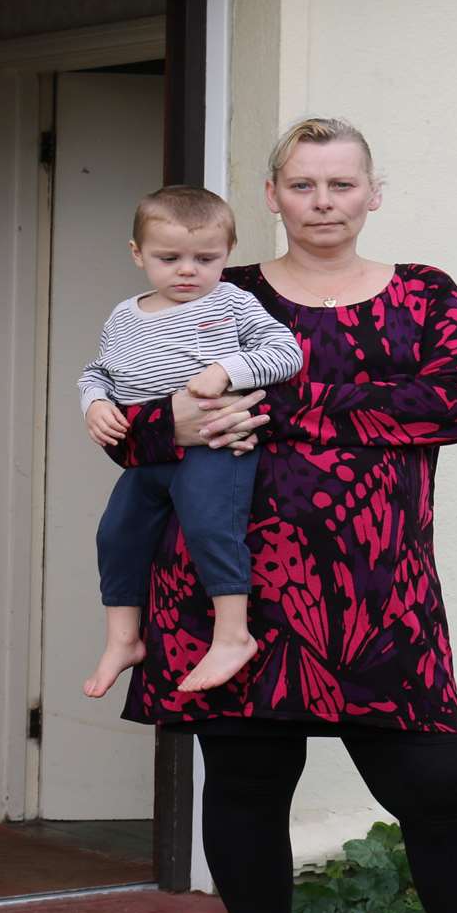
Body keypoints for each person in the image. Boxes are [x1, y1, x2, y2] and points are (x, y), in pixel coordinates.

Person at [95, 120, 457, 913]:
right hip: (233, 588)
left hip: (380, 586)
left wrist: (270, 405)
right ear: (273, 196)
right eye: (302, 186)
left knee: (437, 788)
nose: (322, 203)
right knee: (246, 788)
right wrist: (175, 423)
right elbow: (138, 433)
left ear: (373, 193)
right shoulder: (219, 290)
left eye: (340, 185)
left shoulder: (423, 294)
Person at [79, 185, 304, 700]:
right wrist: (94, 403)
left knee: (210, 525)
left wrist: (227, 368)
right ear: (138, 255)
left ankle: (232, 635)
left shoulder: (231, 302)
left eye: (206, 258)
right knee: (116, 533)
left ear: (227, 255)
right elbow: (98, 371)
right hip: (148, 455)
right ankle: (123, 639)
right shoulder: (124, 315)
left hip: (214, 448)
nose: (188, 270)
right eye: (169, 258)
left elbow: (285, 350)